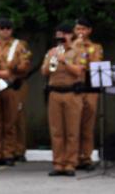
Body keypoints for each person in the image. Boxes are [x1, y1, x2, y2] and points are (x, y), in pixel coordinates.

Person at [41, 22, 85, 176]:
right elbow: (44, 71)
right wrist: (51, 58)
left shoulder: (78, 51)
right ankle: (58, 163)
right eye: (59, 35)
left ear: (70, 35)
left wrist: (64, 60)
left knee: (72, 131)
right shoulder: (51, 51)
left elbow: (79, 71)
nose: (62, 38)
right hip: (54, 94)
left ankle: (70, 164)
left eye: (65, 35)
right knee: (56, 131)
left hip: (72, 94)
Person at [0, 18, 32, 166]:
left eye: (7, 28)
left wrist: (12, 69)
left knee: (11, 121)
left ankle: (9, 153)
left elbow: (25, 66)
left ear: (11, 30)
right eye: (2, 28)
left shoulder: (19, 46)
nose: (5, 31)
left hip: (13, 85)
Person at [73, 17, 104, 171]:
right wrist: (75, 48)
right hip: (73, 90)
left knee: (87, 126)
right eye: (78, 29)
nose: (80, 32)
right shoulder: (68, 46)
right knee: (73, 127)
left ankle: (86, 157)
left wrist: (82, 50)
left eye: (83, 29)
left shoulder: (95, 47)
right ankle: (72, 158)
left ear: (89, 31)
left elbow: (94, 65)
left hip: (89, 89)